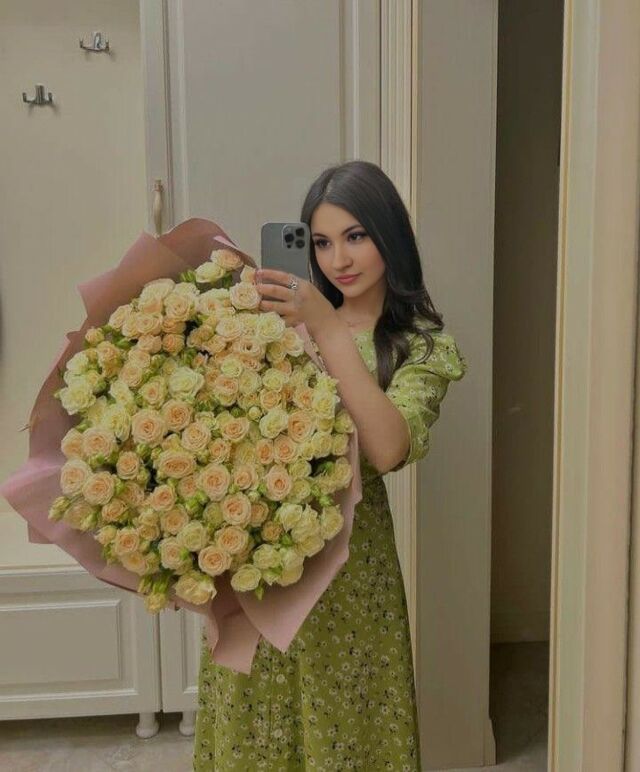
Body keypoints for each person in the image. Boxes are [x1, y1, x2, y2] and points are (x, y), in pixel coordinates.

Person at [192, 160, 467, 770]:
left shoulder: (419, 345)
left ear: (389, 235)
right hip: (256, 560)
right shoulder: (272, 328)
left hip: (351, 575)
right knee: (255, 727)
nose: (338, 258)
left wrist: (328, 329)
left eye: (355, 236)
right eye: (320, 242)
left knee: (348, 729)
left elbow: (388, 449)